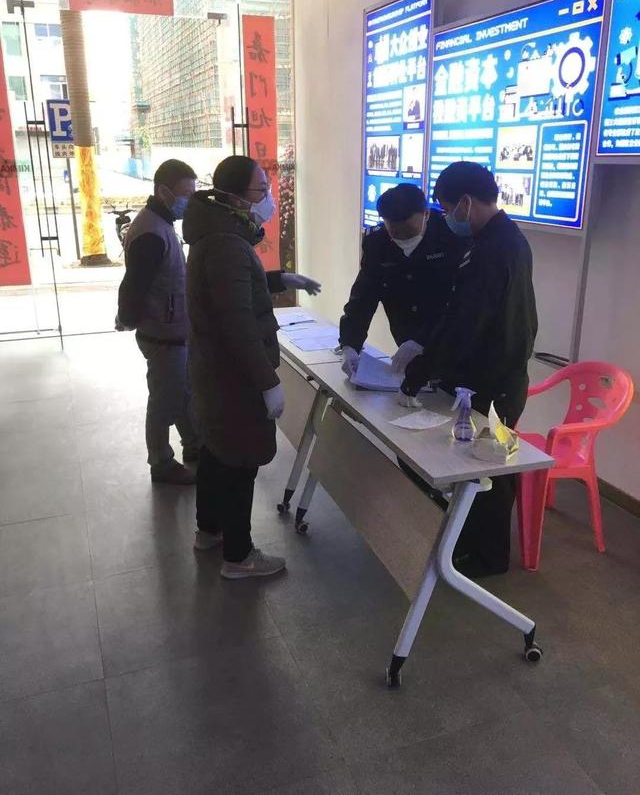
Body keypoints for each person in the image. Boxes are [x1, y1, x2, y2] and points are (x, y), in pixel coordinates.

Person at [183, 155, 321, 580]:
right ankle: (239, 556)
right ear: (236, 197)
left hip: (216, 370)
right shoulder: (226, 244)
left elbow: (234, 288)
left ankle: (209, 530)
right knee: (240, 461)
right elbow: (237, 320)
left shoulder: (219, 234)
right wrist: (267, 381)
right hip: (234, 376)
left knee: (216, 452)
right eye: (262, 189)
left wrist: (280, 279)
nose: (269, 198)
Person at [399, 161, 538, 577]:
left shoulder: (496, 248)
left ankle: (487, 558)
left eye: (446, 210)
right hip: (489, 373)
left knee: (490, 467)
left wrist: (424, 368)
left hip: (497, 380)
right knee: (476, 463)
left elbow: (468, 321)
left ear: (465, 202)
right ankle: (466, 543)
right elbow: (461, 312)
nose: (447, 219)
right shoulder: (494, 239)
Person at [117, 159, 200, 486]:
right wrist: (128, 318)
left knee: (182, 392)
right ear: (164, 192)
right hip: (162, 334)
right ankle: (161, 462)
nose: (189, 202)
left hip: (173, 330)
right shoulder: (151, 231)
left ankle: (194, 444)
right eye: (186, 194)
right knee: (165, 399)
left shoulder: (161, 223)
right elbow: (134, 284)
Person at [339, 183, 465, 379]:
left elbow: (462, 302)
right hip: (405, 343)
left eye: (409, 231)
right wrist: (349, 345)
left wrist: (422, 340)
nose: (403, 238)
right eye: (395, 232)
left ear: (426, 214)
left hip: (452, 347)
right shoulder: (377, 243)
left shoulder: (452, 238)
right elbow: (362, 298)